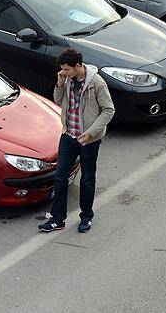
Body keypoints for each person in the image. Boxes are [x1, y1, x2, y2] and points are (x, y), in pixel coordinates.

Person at [39, 48, 115, 234]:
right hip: (68, 135)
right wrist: (59, 83)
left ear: (78, 66)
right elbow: (58, 101)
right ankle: (58, 219)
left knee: (87, 179)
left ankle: (86, 217)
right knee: (60, 177)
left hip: (88, 139)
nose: (64, 72)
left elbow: (108, 110)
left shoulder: (96, 83)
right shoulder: (67, 80)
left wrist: (91, 133)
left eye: (66, 69)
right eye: (62, 69)